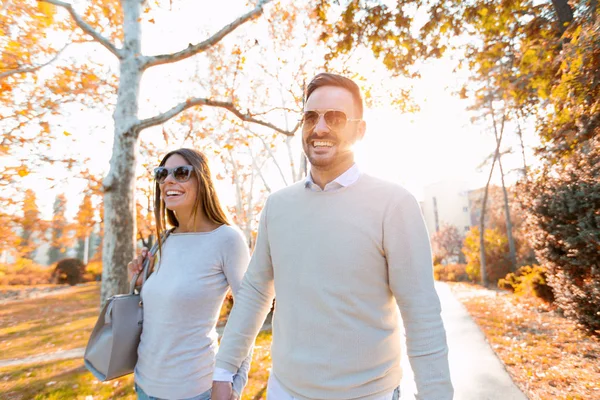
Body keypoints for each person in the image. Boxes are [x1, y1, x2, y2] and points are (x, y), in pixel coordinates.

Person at [211, 73, 453, 399]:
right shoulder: (277, 206)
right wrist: (224, 369)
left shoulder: (395, 204)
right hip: (285, 390)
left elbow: (421, 311)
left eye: (335, 118)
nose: (320, 128)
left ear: (360, 130)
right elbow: (255, 292)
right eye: (311, 117)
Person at [127, 148, 251, 400]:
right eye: (162, 174)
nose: (168, 181)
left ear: (203, 181)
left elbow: (249, 314)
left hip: (195, 391)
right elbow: (164, 312)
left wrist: (233, 384)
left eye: (181, 173)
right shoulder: (165, 239)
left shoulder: (227, 239)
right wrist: (141, 283)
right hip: (144, 385)